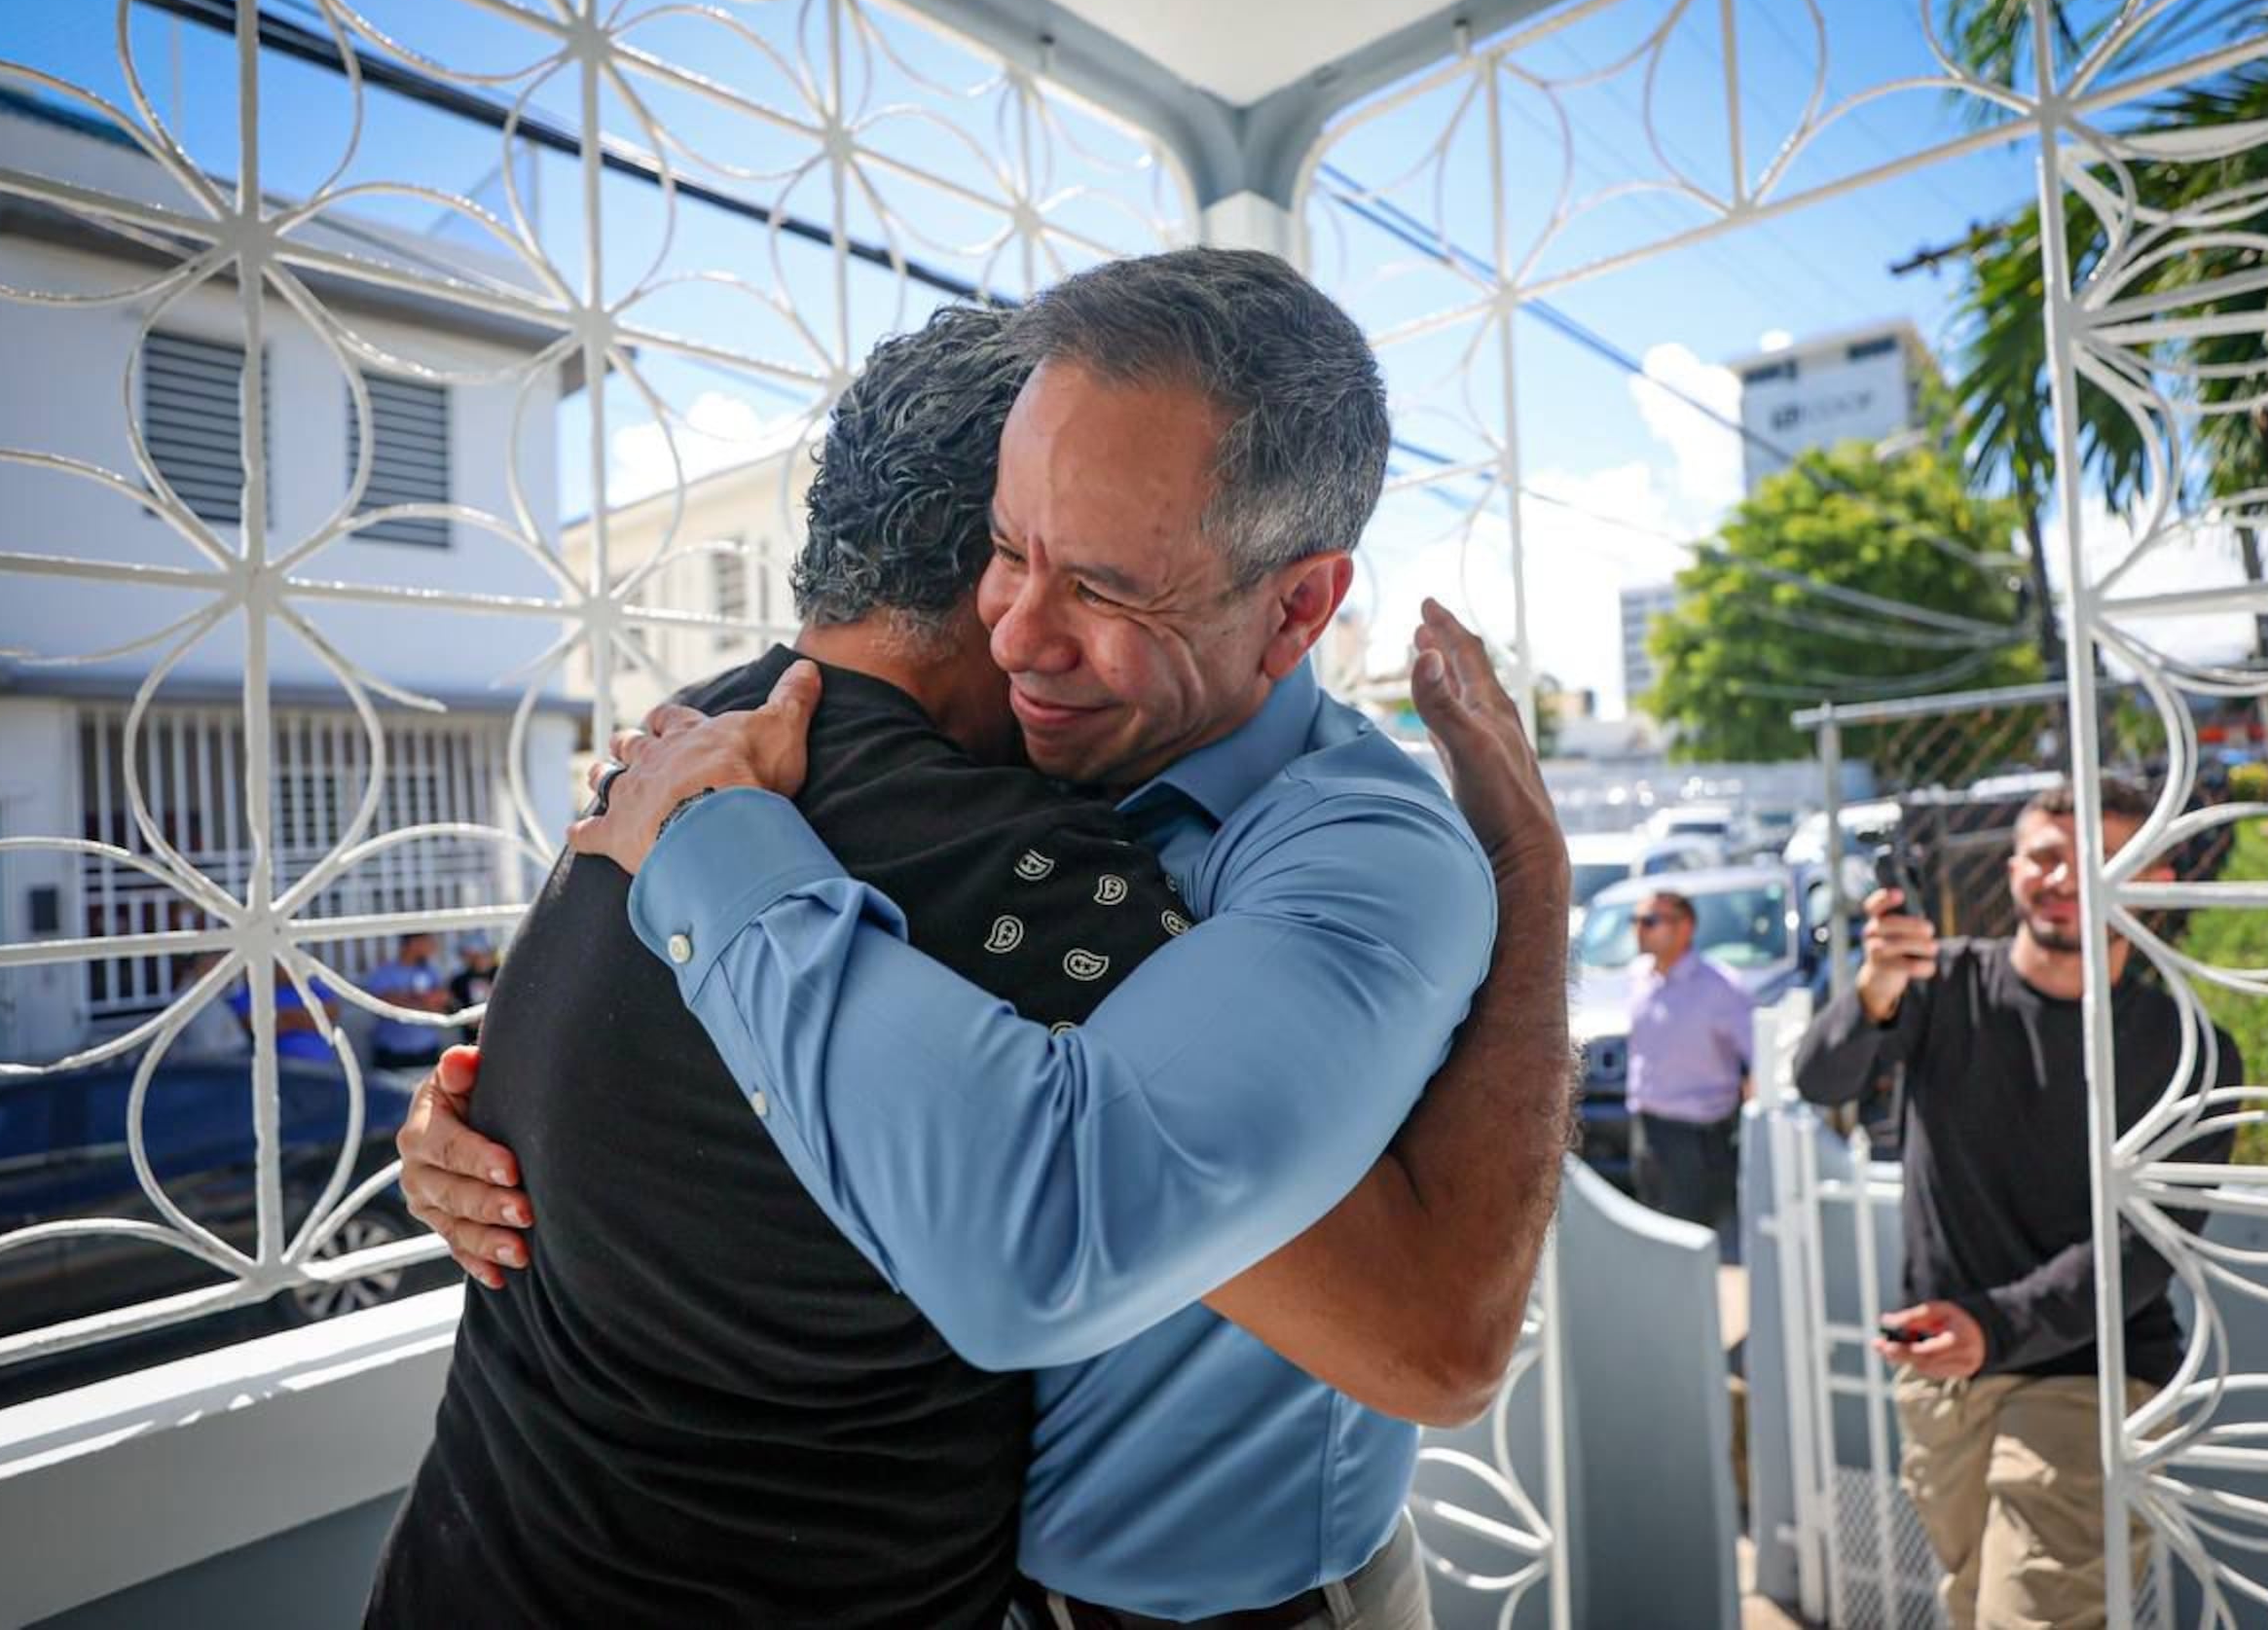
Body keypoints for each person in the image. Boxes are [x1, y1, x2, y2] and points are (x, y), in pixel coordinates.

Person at [379, 291, 1573, 1628]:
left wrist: (1530, 870)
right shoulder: (798, 770)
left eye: (1105, 582)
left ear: (1296, 607)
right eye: (1012, 552)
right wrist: (483, 1125)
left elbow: (1425, 1333)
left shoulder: (1330, 850)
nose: (1017, 633)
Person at [1793, 779, 2238, 1630]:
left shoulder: (2190, 1051)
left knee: (2028, 1618)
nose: (2064, 877)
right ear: (2013, 867)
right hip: (1943, 1380)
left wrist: (1992, 1325)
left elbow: (2143, 1251)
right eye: (2045, 855)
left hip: (2096, 1376)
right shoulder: (1939, 983)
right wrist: (1878, 988)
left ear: (2158, 881)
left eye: (2098, 860)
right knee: (1971, 1608)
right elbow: (1820, 1078)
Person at [1625, 887, 1753, 1248]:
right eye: (1635, 921)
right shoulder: (1638, 976)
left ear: (1686, 928)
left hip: (1699, 1138)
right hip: (1647, 1129)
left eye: (1650, 921)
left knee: (1694, 1242)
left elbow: (1757, 1059)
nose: (1639, 930)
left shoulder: (1721, 987)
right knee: (1653, 1236)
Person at [360, 933, 449, 1070]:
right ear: (413, 943)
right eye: (427, 941)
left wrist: (404, 999)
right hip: (391, 1055)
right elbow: (384, 1006)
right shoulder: (384, 972)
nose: (433, 946)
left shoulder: (431, 971)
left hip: (427, 1051)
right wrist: (421, 1000)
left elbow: (441, 1004)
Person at [445, 937, 495, 1045]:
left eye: (483, 954)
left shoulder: (499, 975)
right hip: (470, 1036)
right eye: (474, 955)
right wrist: (467, 1019)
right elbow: (451, 1004)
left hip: (498, 1030)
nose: (479, 959)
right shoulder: (459, 980)